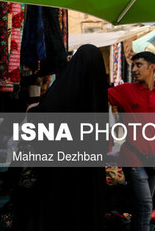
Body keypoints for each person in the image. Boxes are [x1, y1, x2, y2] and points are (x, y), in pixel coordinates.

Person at [17, 44, 108, 230]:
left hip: (60, 170)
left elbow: (43, 117)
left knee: (59, 210)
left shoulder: (65, 88)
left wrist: (33, 110)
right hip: (88, 169)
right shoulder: (98, 95)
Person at [108, 51, 155, 231]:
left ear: (152, 67)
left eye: (138, 65)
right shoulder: (124, 91)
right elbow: (93, 96)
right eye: (133, 65)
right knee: (146, 205)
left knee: (141, 208)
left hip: (154, 158)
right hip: (132, 156)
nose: (134, 69)